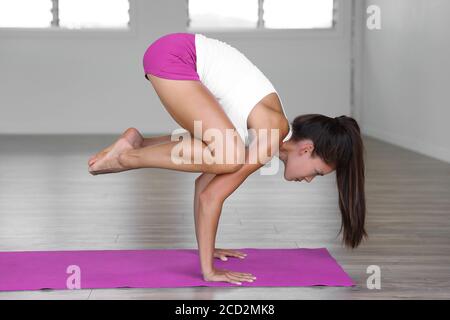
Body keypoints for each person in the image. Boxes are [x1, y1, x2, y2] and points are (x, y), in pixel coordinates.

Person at [87, 32, 367, 286]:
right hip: (176, 55)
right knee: (229, 156)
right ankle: (127, 157)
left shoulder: (263, 129)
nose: (308, 179)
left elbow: (204, 188)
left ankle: (137, 142)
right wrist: (208, 271)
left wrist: (207, 251)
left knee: (224, 154)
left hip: (173, 52)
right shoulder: (271, 132)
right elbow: (212, 198)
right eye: (316, 173)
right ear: (306, 150)